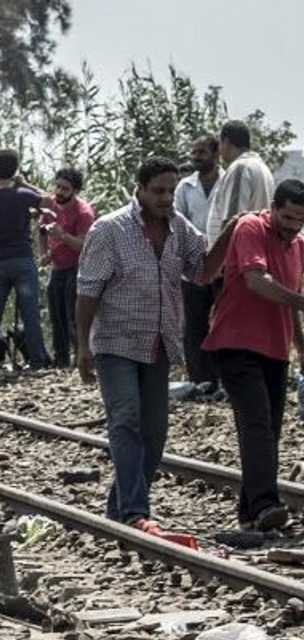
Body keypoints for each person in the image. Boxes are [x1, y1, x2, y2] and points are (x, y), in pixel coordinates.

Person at [76, 157, 230, 537]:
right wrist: (83, 346)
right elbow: (88, 290)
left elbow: (203, 271)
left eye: (171, 191)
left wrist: (229, 234)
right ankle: (134, 512)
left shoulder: (179, 228)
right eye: (158, 191)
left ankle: (120, 508)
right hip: (116, 343)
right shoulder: (109, 229)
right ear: (140, 189)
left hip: (159, 343)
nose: (165, 199)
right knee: (125, 420)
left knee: (155, 432)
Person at [199, 180, 304, 531]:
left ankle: (249, 512)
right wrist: (299, 301)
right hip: (236, 343)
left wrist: (301, 349)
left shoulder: (298, 246)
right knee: (257, 422)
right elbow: (255, 281)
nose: (292, 226)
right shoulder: (251, 227)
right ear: (274, 207)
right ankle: (264, 505)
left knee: (268, 429)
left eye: (300, 220)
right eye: (287, 216)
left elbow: (293, 303)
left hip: (275, 348)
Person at [0, 149, 52, 376]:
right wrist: (27, 184)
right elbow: (49, 200)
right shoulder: (22, 194)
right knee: (30, 313)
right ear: (15, 169)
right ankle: (37, 362)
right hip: (21, 257)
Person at [177, 135, 223, 389]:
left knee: (221, 320)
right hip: (193, 263)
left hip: (223, 263)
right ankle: (199, 378)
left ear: (215, 154)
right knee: (195, 322)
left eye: (201, 152)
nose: (195, 157)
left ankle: (221, 377)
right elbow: (177, 220)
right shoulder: (185, 187)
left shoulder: (227, 181)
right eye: (193, 152)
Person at [43, 168, 96, 368]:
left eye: (65, 189)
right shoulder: (51, 207)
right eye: (57, 186)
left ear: (75, 191)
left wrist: (63, 235)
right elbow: (42, 230)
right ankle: (61, 360)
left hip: (77, 268)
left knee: (73, 316)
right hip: (57, 267)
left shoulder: (84, 212)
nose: (59, 192)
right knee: (56, 315)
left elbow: (84, 246)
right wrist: (45, 253)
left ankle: (81, 358)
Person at [206, 121, 276, 242]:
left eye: (220, 144)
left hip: (238, 253)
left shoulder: (240, 168)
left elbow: (232, 222)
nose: (220, 150)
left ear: (226, 142)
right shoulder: (262, 167)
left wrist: (218, 257)